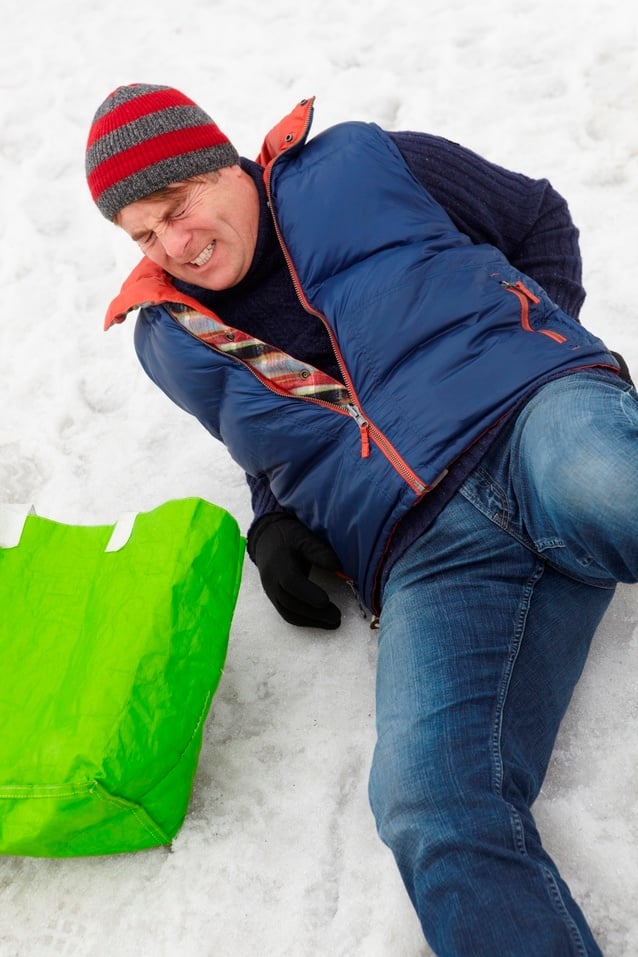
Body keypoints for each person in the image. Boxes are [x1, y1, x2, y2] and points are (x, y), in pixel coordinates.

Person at [86, 83, 637, 956]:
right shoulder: (171, 336)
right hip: (429, 552)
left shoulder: (358, 163)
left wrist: (536, 336)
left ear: (222, 163)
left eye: (177, 208)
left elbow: (538, 219)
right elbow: (270, 442)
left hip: (531, 419)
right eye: (144, 235)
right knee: (428, 801)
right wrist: (272, 528)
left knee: (615, 489)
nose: (174, 245)